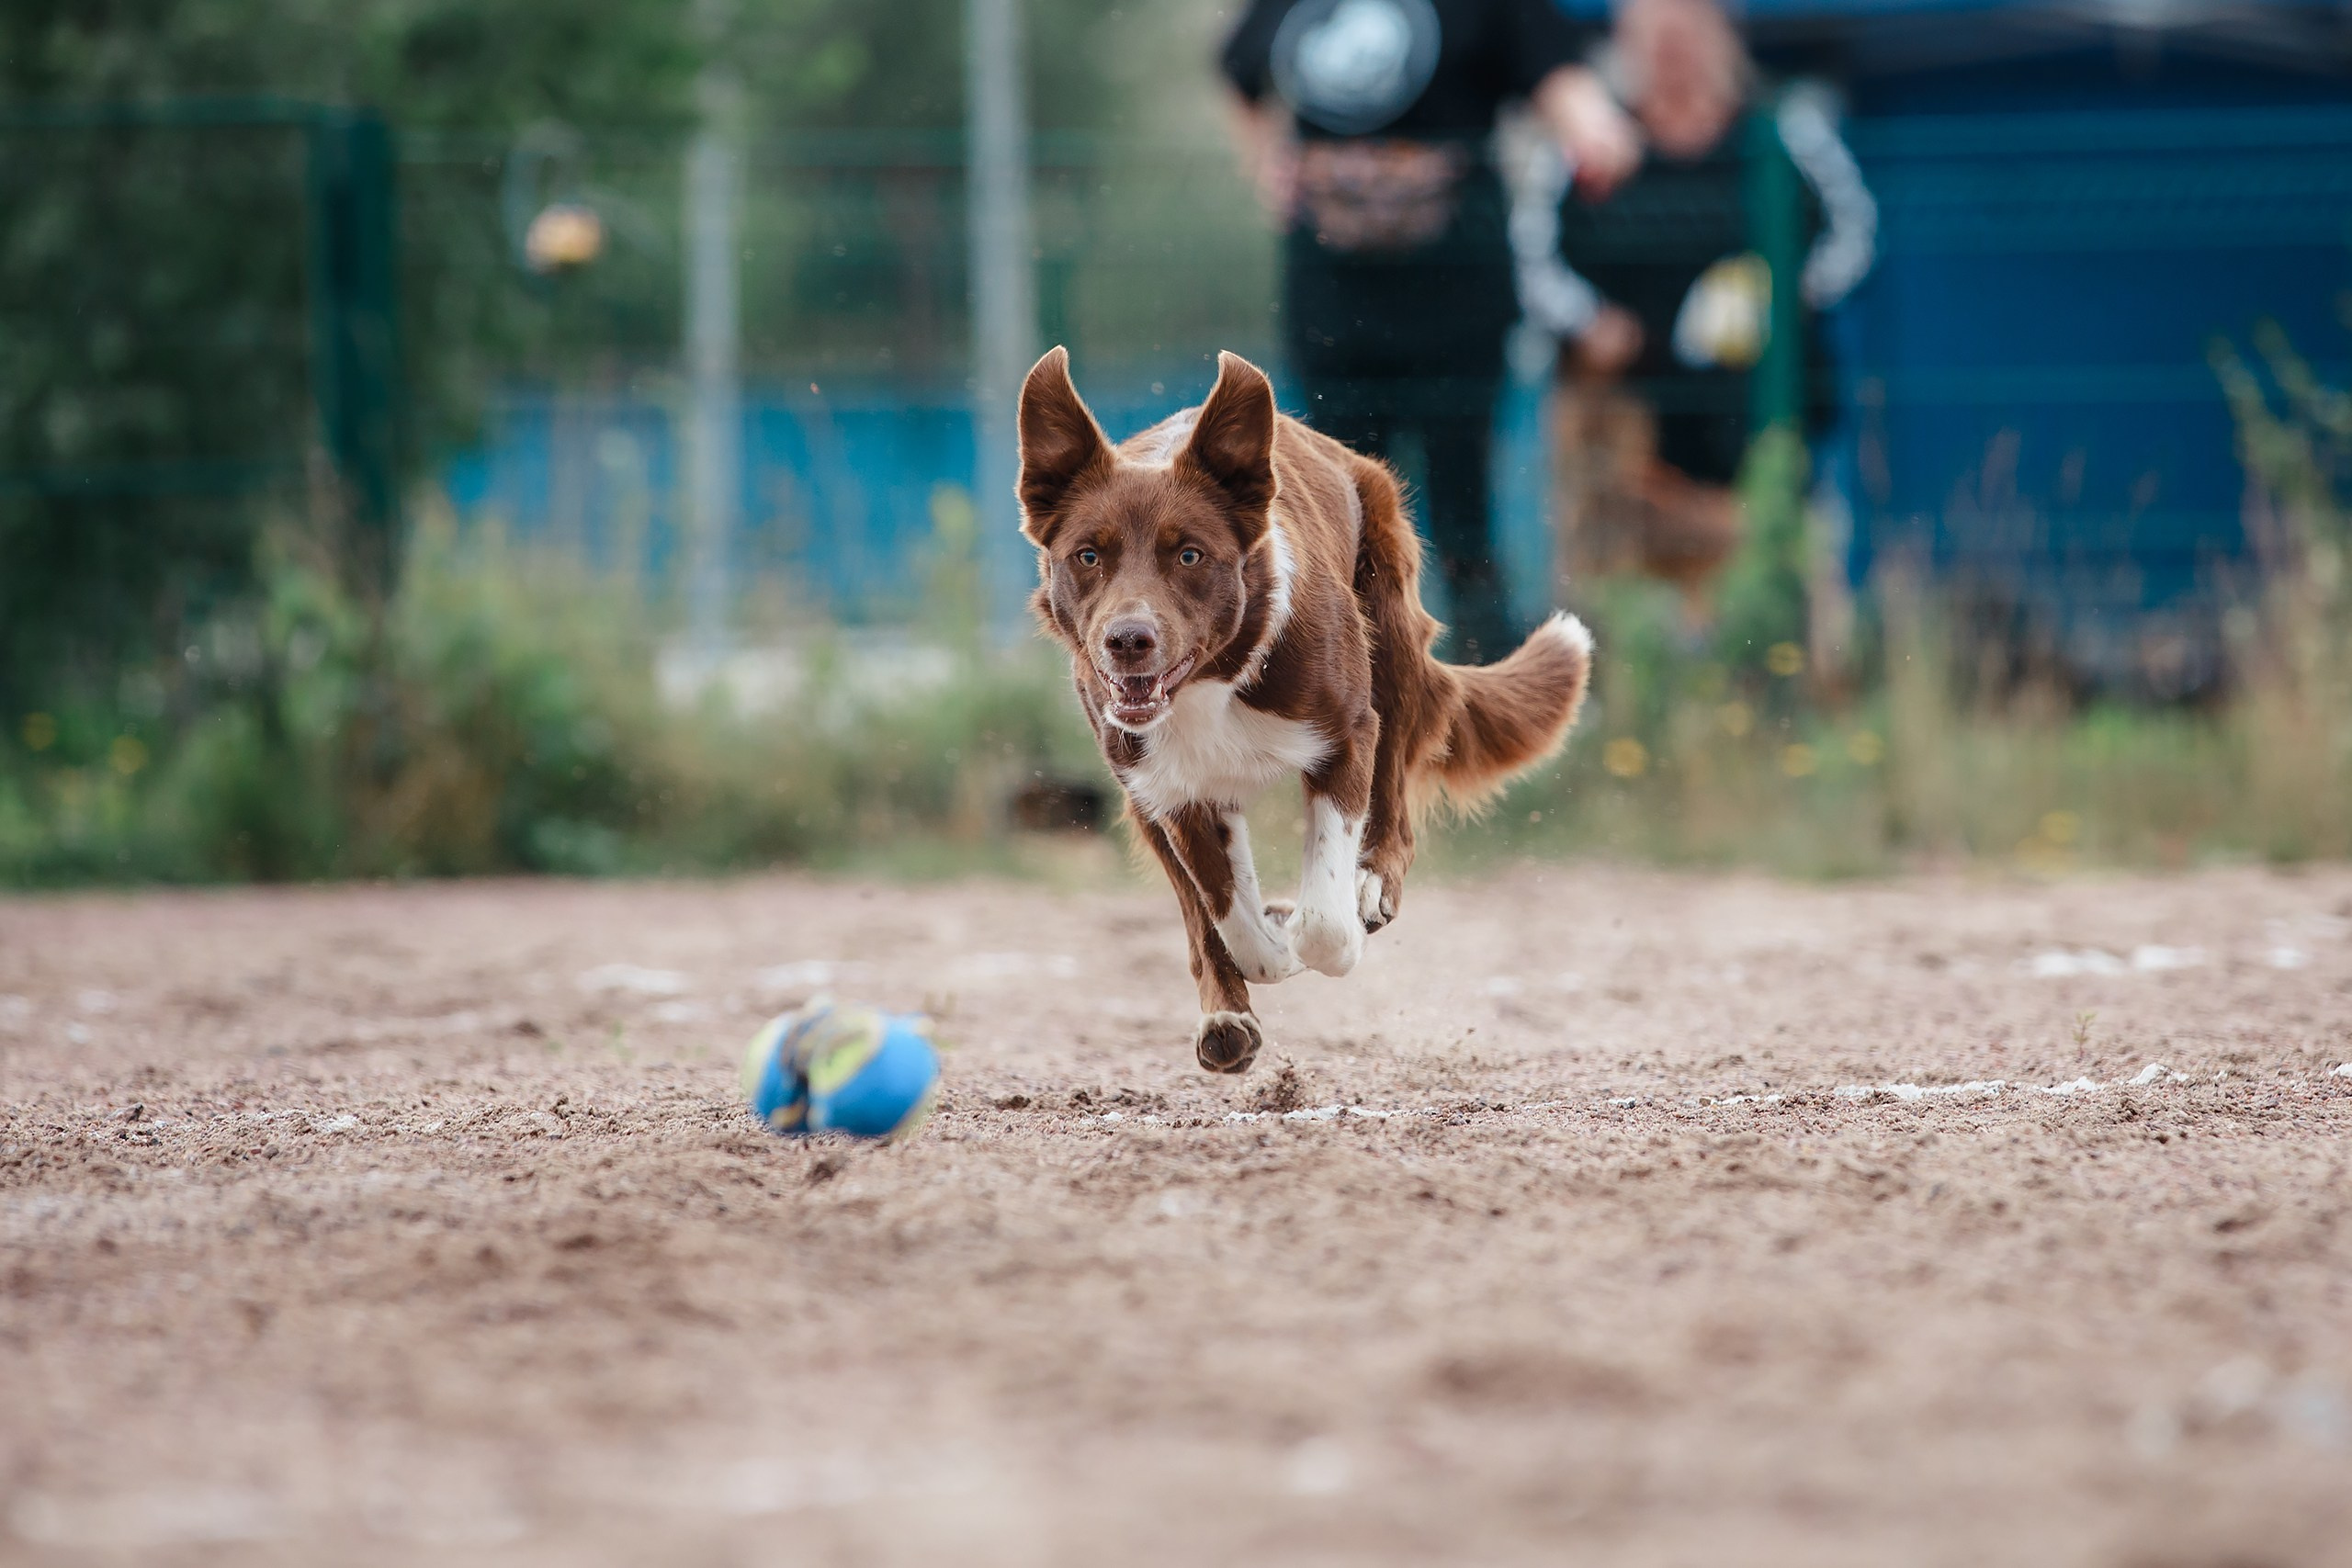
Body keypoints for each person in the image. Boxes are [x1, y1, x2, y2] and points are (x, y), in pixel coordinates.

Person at [1219, 0, 1644, 662]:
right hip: (1334, 307)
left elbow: (1552, 72)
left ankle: (1485, 683)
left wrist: (1595, 128)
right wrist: (1267, 162)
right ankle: (1353, 689)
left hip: (1457, 299)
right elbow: (1240, 70)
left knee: (1462, 511)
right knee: (1343, 513)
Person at [1512, 0, 1875, 622]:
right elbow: (1533, 257)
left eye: (1684, 34)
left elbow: (1852, 233)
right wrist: (1591, 322)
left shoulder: (1783, 127)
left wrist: (1788, 301)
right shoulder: (1587, 144)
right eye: (1654, 37)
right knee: (1623, 579)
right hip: (1632, 410)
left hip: (1763, 403)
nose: (1670, 53)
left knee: (1780, 559)